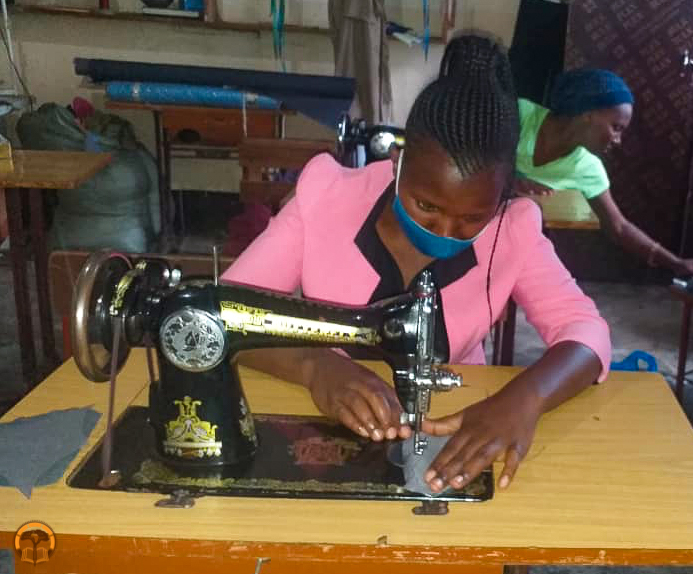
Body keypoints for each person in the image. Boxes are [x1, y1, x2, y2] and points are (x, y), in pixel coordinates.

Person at [222, 34, 611, 495]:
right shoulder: (325, 197)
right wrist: (315, 366)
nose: (445, 231)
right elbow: (228, 310)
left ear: (505, 193)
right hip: (319, 420)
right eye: (427, 205)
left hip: (451, 418)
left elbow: (587, 333)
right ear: (398, 161)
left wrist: (523, 399)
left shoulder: (515, 230)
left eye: (472, 218)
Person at [514, 69, 693, 279]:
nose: (618, 140)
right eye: (616, 127)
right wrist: (511, 180)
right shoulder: (518, 114)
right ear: (588, 113)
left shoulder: (588, 169)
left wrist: (676, 263)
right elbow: (476, 158)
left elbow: (619, 227)